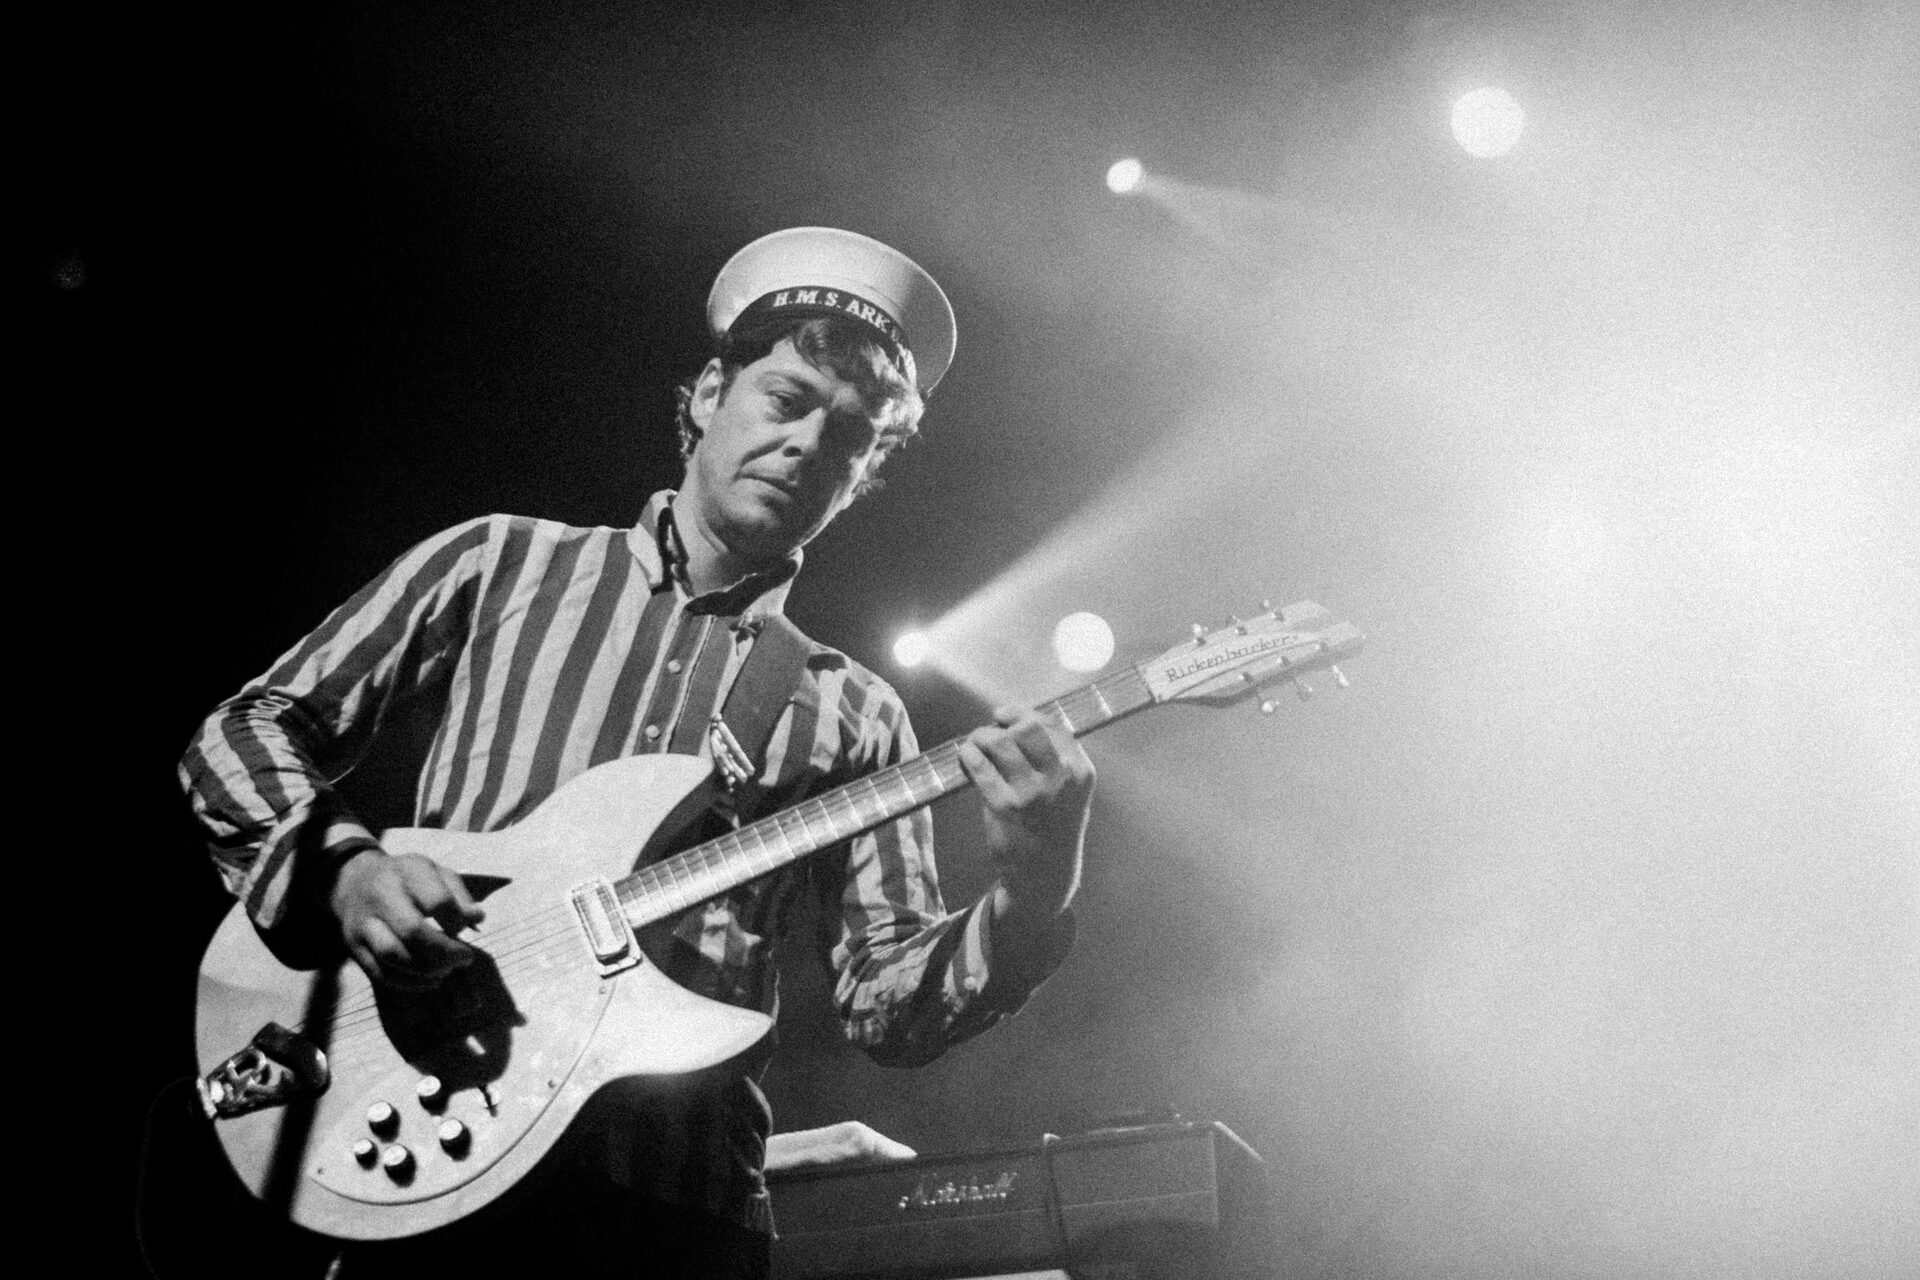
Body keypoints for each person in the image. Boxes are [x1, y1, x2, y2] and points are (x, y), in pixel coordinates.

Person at [179, 227, 1094, 1278]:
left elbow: (887, 1011)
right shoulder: (500, 562)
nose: (807, 445)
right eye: (786, 400)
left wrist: (1033, 890)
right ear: (708, 394)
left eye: (848, 438)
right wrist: (344, 870)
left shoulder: (859, 712)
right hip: (438, 1161)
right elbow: (240, 734)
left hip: (677, 1213)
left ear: (862, 478)